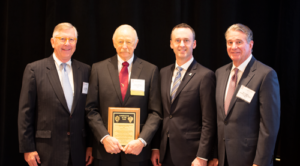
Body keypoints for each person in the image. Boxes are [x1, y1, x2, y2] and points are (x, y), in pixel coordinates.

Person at [85, 24, 162, 166]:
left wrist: (142, 141)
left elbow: (155, 112)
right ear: (114, 43)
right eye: (120, 41)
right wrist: (104, 137)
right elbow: (91, 109)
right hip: (105, 151)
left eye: (129, 41)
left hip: (137, 152)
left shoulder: (150, 70)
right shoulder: (98, 69)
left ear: (136, 43)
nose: (124, 46)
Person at [18, 22, 93, 166]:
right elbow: (25, 112)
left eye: (71, 39)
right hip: (46, 151)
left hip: (79, 151)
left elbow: (89, 111)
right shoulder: (34, 69)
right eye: (62, 39)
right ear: (53, 42)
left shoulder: (85, 70)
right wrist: (28, 148)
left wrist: (90, 145)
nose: (67, 43)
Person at [213, 23, 280, 166]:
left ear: (250, 44)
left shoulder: (266, 75)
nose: (233, 47)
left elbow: (269, 126)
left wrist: (260, 162)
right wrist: (214, 154)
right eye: (230, 42)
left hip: (249, 159)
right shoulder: (220, 73)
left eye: (239, 42)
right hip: (222, 158)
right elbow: (220, 119)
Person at [151, 23, 216, 166]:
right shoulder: (163, 73)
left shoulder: (205, 76)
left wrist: (202, 156)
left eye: (186, 40)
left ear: (194, 44)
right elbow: (160, 114)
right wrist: (156, 147)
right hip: (165, 152)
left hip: (192, 155)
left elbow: (209, 121)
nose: (182, 44)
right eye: (177, 40)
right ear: (171, 44)